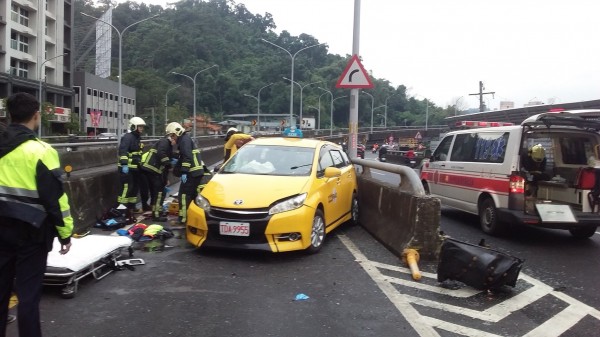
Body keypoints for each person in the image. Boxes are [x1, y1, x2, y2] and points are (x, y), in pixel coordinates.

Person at [0, 92, 73, 337]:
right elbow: (55, 199)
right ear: (36, 115)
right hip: (32, 232)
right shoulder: (41, 150)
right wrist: (65, 234)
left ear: (10, 115)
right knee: (28, 295)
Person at [140, 123, 179, 222]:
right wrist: (169, 164)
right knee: (159, 192)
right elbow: (161, 153)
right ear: (171, 135)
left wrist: (165, 180)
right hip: (152, 170)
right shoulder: (164, 142)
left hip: (154, 171)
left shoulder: (168, 145)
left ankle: (156, 211)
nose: (176, 140)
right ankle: (156, 215)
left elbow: (165, 167)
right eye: (175, 137)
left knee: (156, 192)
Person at [173, 123, 210, 224]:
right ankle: (192, 217)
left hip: (191, 172)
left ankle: (184, 218)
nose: (173, 138)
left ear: (177, 132)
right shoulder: (186, 139)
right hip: (196, 172)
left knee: (184, 195)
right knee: (192, 195)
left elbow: (187, 156)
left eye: (173, 135)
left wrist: (184, 171)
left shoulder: (184, 140)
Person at [117, 116, 146, 219]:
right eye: (140, 127)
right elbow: (123, 151)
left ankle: (131, 207)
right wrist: (124, 164)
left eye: (142, 127)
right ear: (134, 126)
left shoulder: (137, 137)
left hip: (135, 169)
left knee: (134, 188)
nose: (141, 129)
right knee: (126, 189)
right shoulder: (127, 137)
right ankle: (121, 209)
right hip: (127, 169)